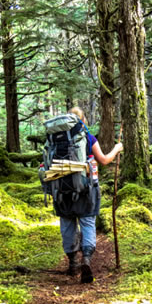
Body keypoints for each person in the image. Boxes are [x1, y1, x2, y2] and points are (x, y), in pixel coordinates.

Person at [61, 106, 123, 283]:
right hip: (86, 188)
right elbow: (103, 160)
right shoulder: (88, 137)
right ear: (83, 120)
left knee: (67, 224)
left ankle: (72, 263)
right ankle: (86, 259)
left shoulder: (56, 138)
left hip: (62, 191)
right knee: (87, 222)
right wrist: (117, 148)